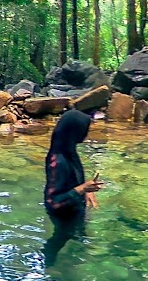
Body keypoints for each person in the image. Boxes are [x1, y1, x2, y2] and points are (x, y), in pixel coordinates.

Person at [42, 109, 103, 265]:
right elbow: (53, 202)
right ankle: (49, 266)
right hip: (63, 213)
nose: (87, 133)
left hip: (74, 207)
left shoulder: (68, 149)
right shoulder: (57, 162)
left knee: (79, 233)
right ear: (75, 132)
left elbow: (74, 179)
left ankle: (78, 257)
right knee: (60, 238)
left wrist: (87, 191)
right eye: (85, 130)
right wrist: (82, 189)